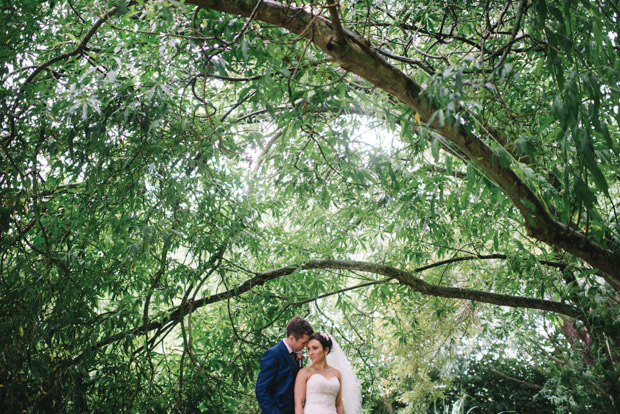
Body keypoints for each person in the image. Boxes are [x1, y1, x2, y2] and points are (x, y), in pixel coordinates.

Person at [256, 316, 314, 414]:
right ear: (292, 338)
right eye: (303, 343)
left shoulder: (296, 354)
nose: (305, 346)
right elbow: (261, 390)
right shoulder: (273, 354)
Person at [294, 332, 362, 414]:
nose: (310, 353)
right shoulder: (304, 373)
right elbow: (298, 404)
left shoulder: (336, 373)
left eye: (315, 348)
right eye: (309, 349)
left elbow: (339, 404)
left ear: (326, 350)